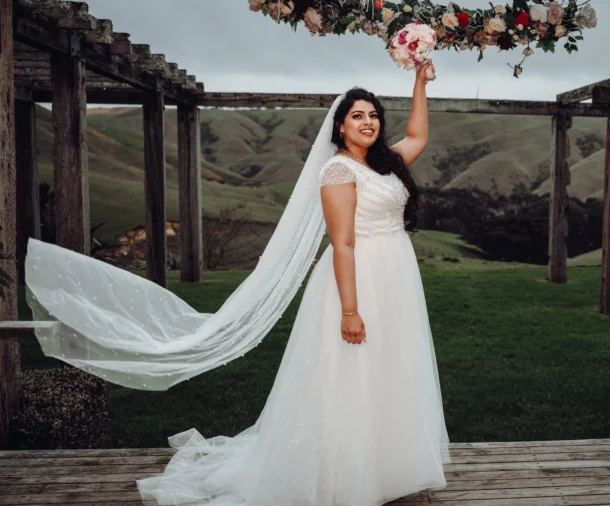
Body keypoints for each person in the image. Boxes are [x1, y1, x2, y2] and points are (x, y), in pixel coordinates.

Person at [23, 61, 449, 505]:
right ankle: (346, 476)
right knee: (352, 373)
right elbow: (342, 245)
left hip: (396, 276)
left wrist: (418, 83)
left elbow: (418, 136)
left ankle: (387, 466)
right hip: (358, 280)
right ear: (340, 127)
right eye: (357, 115)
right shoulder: (340, 172)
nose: (368, 122)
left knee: (390, 369)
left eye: (374, 115)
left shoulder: (385, 164)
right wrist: (349, 310)